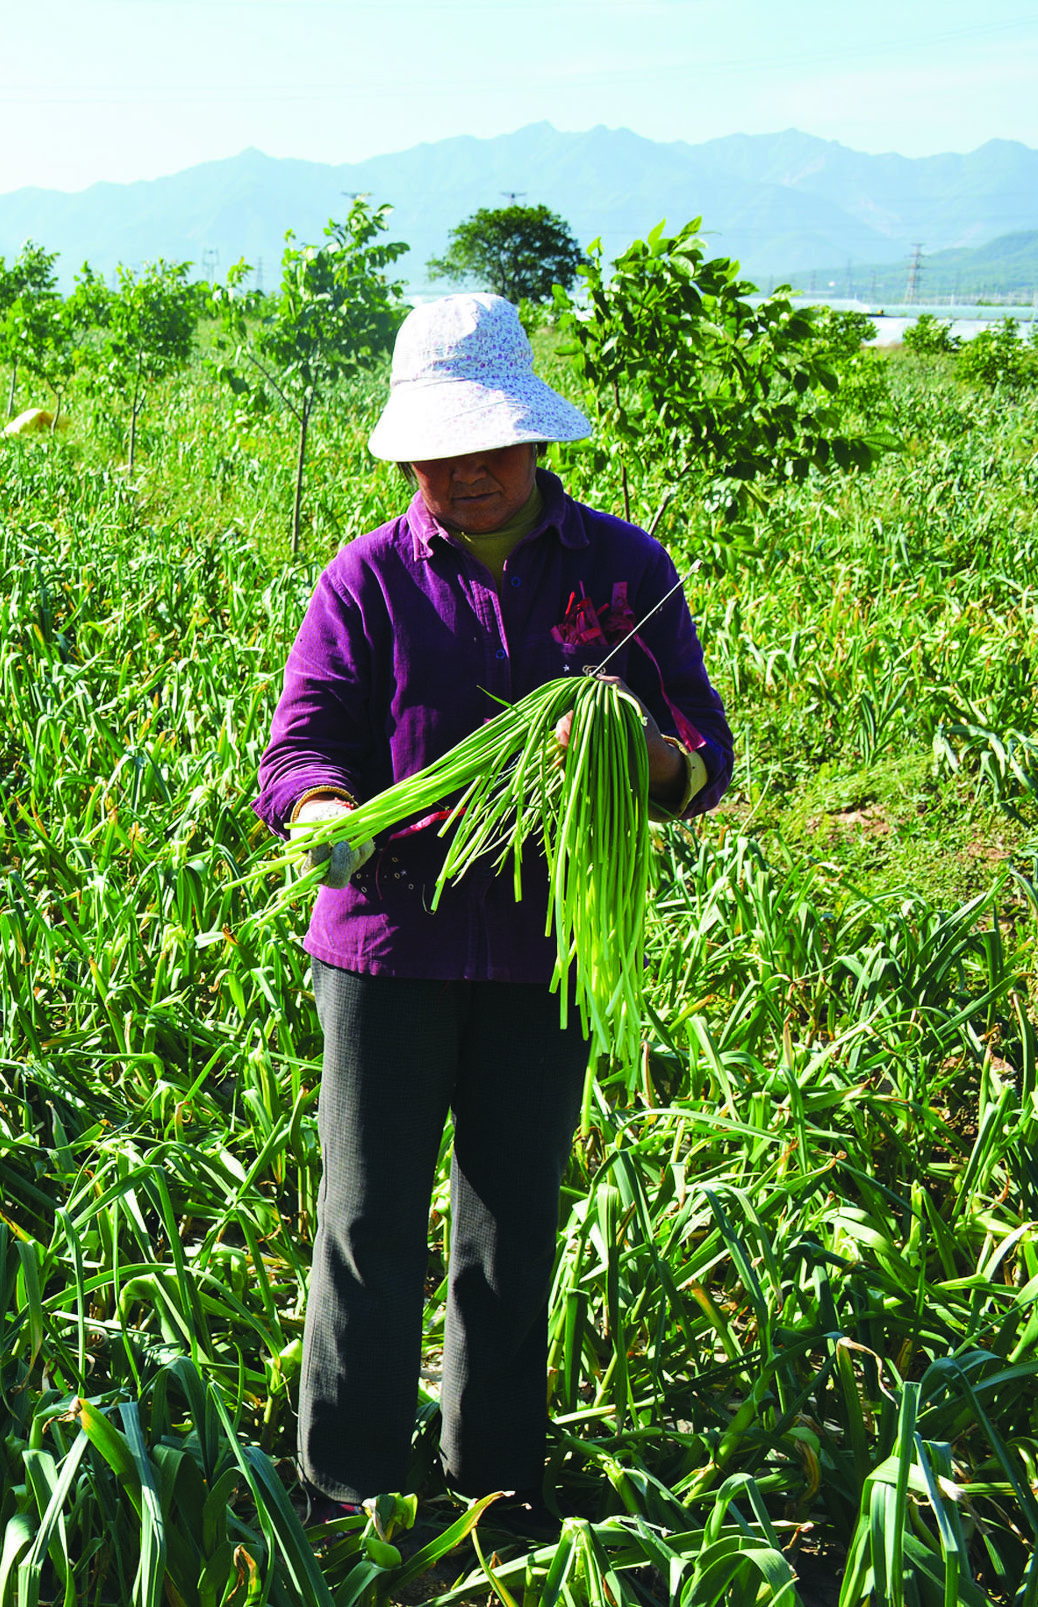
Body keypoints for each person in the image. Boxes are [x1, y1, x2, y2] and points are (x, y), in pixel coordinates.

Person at [252, 294, 732, 1533]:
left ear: (535, 440)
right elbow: (298, 747)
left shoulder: (621, 567)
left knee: (513, 1222)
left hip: (544, 950)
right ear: (408, 450)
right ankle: (349, 1484)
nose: (464, 472)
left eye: (490, 445)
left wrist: (638, 755)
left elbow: (701, 748)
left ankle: (494, 1488)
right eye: (438, 450)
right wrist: (321, 810)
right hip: (388, 947)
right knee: (365, 1219)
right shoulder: (362, 579)